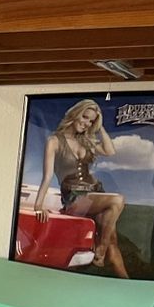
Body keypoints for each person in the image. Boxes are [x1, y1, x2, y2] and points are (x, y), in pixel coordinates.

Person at [31, 99, 127, 277]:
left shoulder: (85, 141)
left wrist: (100, 127)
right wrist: (38, 205)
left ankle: (130, 287)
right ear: (75, 114)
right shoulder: (54, 140)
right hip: (74, 199)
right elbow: (47, 176)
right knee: (117, 200)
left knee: (113, 241)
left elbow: (110, 151)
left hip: (95, 195)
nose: (87, 123)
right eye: (84, 117)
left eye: (91, 121)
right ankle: (99, 252)